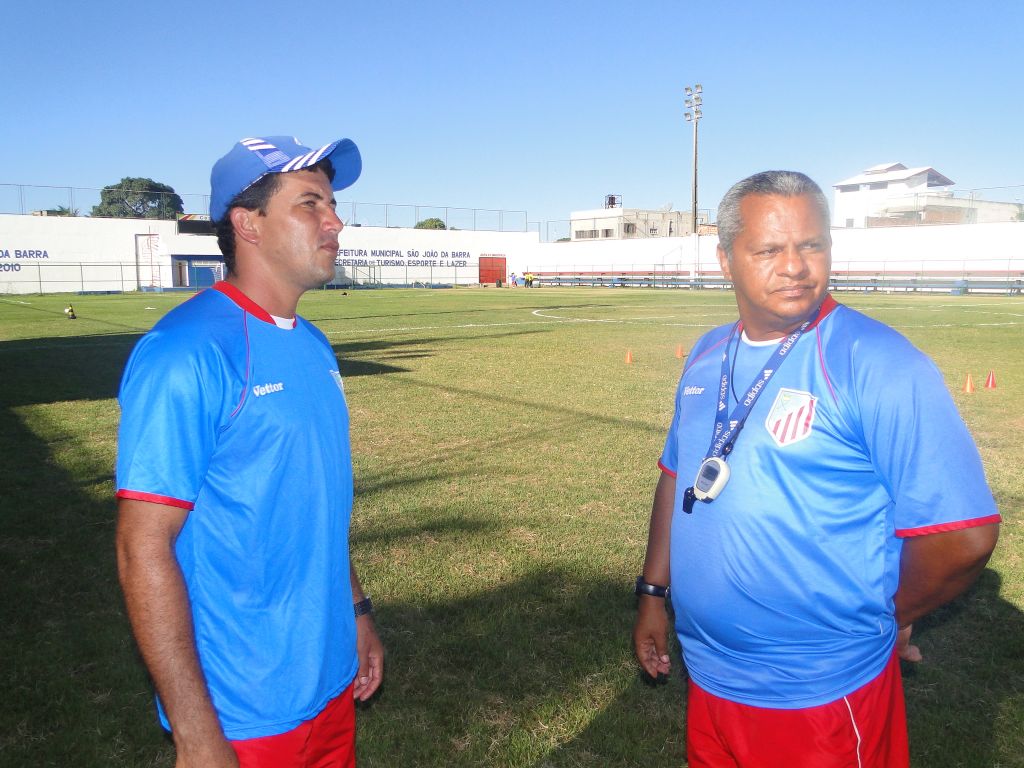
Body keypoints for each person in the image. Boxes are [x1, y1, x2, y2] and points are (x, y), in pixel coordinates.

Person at [633, 170, 1000, 767]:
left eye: (812, 245)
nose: (795, 267)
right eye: (769, 250)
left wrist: (886, 617)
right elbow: (678, 476)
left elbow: (964, 537)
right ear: (725, 260)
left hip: (822, 699)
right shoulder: (706, 355)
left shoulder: (878, 362)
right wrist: (653, 592)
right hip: (710, 676)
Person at [116, 135, 384, 768]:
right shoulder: (185, 353)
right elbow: (141, 548)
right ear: (248, 224)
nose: (335, 221)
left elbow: (312, 503)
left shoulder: (312, 344)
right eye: (310, 203)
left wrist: (356, 611)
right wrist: (195, 733)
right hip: (242, 707)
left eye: (333, 204)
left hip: (328, 678)